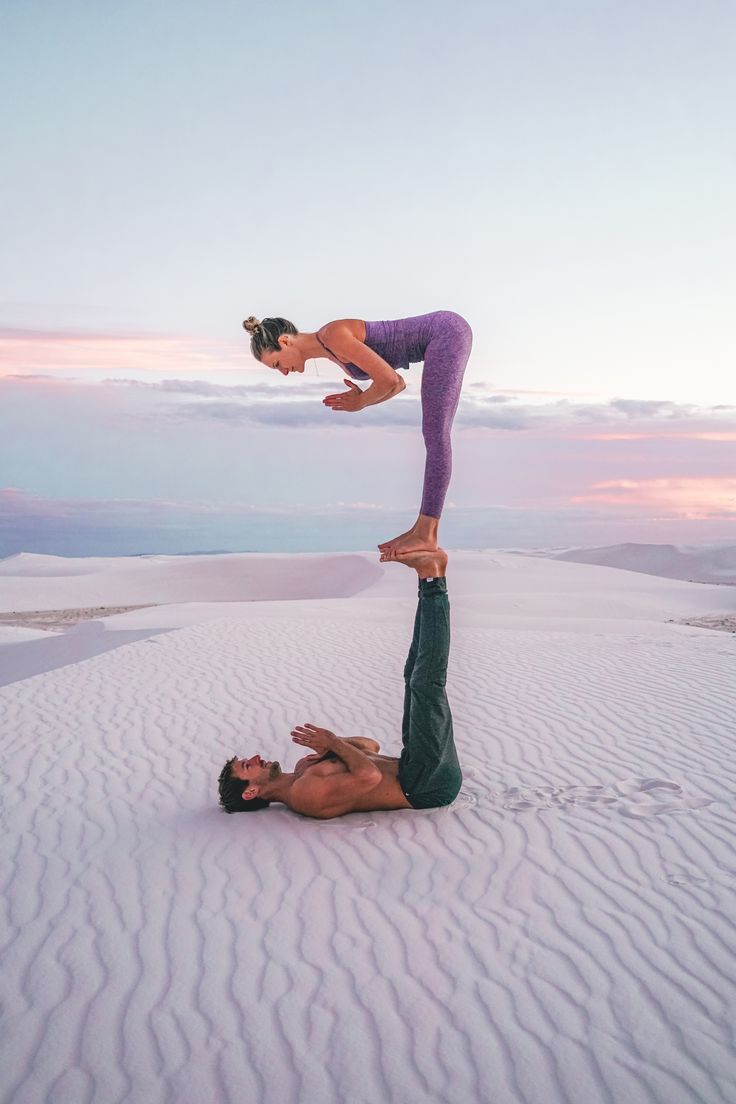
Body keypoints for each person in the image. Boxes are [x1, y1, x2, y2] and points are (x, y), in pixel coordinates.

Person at [217, 549, 462, 819]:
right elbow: (368, 777)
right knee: (425, 684)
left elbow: (371, 747)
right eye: (246, 766)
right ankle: (432, 578)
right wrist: (332, 742)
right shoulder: (303, 796)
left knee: (412, 675)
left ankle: (425, 574)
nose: (254, 758)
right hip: (426, 786)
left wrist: (333, 745)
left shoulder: (303, 766)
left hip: (413, 764)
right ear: (250, 792)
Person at [242, 311, 473, 557]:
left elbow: (392, 382)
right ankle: (421, 529)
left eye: (277, 364)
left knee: (435, 432)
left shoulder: (332, 336)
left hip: (446, 332)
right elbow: (393, 383)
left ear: (285, 342)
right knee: (433, 432)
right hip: (442, 334)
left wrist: (360, 401)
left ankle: (427, 533)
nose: (284, 372)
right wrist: (362, 400)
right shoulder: (328, 345)